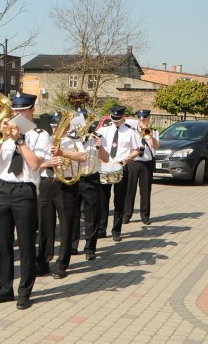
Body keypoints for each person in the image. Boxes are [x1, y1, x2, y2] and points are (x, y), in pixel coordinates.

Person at [0, 92, 51, 310]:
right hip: (2, 188)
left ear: (32, 110)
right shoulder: (3, 132)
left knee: (25, 245)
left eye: (21, 111)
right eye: (14, 111)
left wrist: (20, 140)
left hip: (25, 191)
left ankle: (25, 292)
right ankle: (4, 290)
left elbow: (34, 164)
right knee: (3, 244)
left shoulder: (40, 135)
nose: (16, 115)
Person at [55, 125, 109, 272]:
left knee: (92, 215)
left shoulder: (96, 139)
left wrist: (100, 148)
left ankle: (90, 248)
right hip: (74, 179)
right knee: (72, 215)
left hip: (91, 179)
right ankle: (72, 246)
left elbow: (106, 159)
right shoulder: (71, 139)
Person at [35, 111, 78, 277]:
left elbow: (82, 156)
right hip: (47, 184)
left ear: (67, 127)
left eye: (59, 125)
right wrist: (47, 162)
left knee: (66, 225)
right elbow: (33, 164)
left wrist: (63, 153)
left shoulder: (73, 141)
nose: (55, 128)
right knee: (45, 224)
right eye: (53, 125)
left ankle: (62, 264)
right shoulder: (42, 141)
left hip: (65, 185)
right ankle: (43, 261)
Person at [97, 106, 141, 242]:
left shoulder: (130, 131)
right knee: (103, 200)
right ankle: (101, 229)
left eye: (118, 119)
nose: (115, 121)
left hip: (122, 166)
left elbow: (137, 150)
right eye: (113, 118)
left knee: (119, 200)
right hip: (105, 166)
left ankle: (116, 230)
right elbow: (94, 141)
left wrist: (129, 158)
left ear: (123, 117)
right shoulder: (104, 129)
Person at [124, 109, 159, 226]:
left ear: (149, 119)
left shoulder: (153, 132)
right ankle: (127, 215)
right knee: (129, 189)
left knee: (145, 190)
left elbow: (156, 146)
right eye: (139, 118)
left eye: (144, 118)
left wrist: (148, 133)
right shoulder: (131, 131)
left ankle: (145, 215)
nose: (141, 120)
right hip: (133, 162)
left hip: (146, 163)